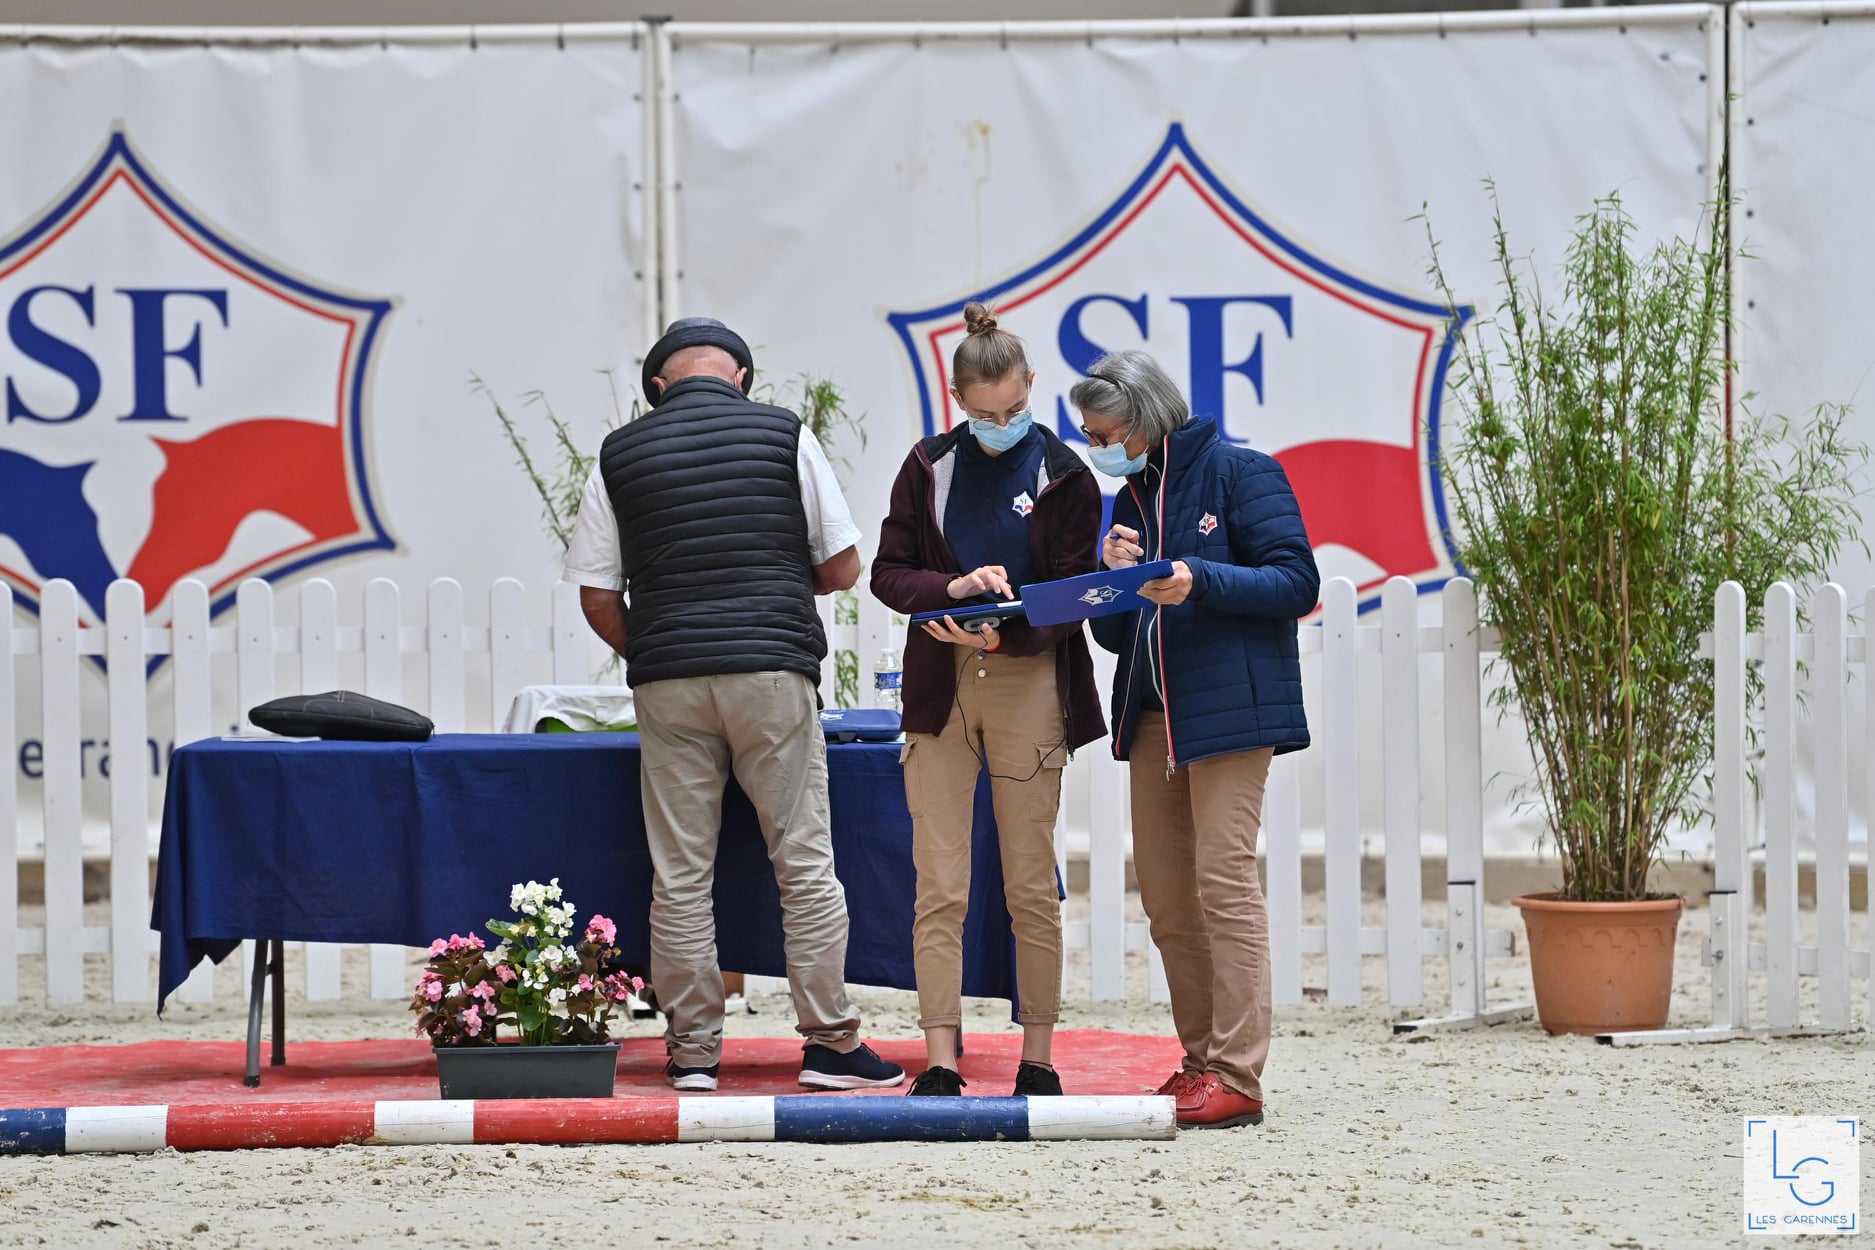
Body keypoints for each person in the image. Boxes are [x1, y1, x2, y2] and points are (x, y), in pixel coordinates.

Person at [562, 316, 904, 1093]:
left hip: (669, 681)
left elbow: (596, 595)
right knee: (803, 862)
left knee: (680, 872)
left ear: (659, 386)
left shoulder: (618, 453)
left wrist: (658, 645)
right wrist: (774, 589)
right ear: (741, 378)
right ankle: (830, 1044)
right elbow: (843, 566)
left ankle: (692, 1053)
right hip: (772, 673)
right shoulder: (785, 434)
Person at [1072, 348, 1319, 1130]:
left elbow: (1296, 582)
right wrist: (1112, 580)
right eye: (1088, 434)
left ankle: (1238, 1074)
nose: (1096, 446)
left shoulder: (1242, 472)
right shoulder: (1129, 497)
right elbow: (1116, 636)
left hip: (1229, 713)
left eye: (1103, 432)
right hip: (1152, 714)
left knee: (1223, 881)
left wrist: (1197, 577)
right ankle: (1201, 1060)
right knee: (1168, 899)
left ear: (1143, 418)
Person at [872, 303, 1107, 1098]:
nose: (1001, 425)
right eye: (984, 415)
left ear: (1032, 385)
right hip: (939, 685)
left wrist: (1005, 636)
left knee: (1029, 882)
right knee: (939, 884)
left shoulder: (1065, 472)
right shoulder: (928, 465)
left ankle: (1037, 1055)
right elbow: (888, 573)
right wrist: (952, 589)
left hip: (1028, 680)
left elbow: (1074, 593)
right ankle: (939, 1057)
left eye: (1014, 410)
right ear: (956, 401)